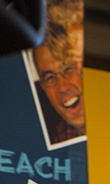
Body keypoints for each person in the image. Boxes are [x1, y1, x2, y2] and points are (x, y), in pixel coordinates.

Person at [33, 0, 86, 144]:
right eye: (50, 77)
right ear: (43, 88)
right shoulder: (61, 138)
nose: (62, 88)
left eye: (68, 69)